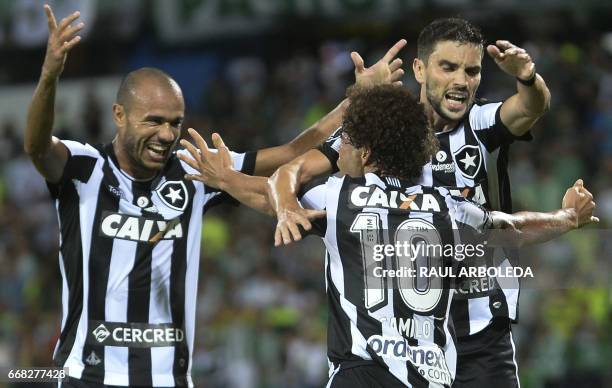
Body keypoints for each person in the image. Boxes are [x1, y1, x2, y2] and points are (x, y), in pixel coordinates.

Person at [24, 5, 406, 387]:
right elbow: (38, 147)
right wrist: (48, 77)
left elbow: (290, 154)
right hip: (88, 376)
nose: (166, 134)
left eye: (175, 123)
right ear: (119, 115)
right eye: (153, 121)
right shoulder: (84, 167)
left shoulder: (196, 169)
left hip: (170, 379)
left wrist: (356, 99)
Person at [178, 84, 597, 387]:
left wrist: (226, 177)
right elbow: (515, 229)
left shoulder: (342, 195)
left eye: (344, 144)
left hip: (361, 373)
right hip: (432, 376)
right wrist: (565, 218)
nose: (337, 152)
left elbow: (266, 193)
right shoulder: (450, 208)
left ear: (365, 153)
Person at [266, 18, 552, 387]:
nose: (461, 82)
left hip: (479, 327)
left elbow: (532, 106)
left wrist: (527, 76)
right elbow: (296, 167)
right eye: (448, 67)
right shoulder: (385, 129)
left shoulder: (482, 123)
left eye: (472, 71)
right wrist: (285, 204)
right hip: (407, 339)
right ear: (419, 68)